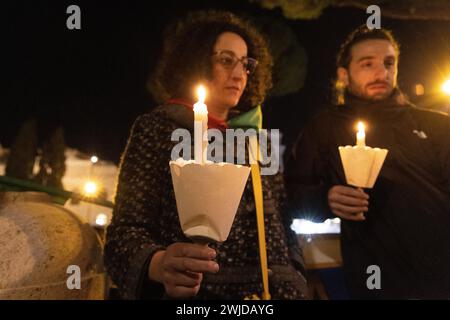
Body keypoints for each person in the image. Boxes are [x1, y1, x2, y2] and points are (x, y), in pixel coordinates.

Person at [104, 10, 308, 300]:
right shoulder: (159, 128)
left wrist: (294, 275)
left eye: (246, 64)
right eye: (226, 60)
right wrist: (159, 264)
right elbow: (124, 234)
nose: (239, 74)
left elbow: (283, 224)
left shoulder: (257, 138)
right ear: (195, 62)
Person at [285, 25, 450, 299]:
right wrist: (325, 199)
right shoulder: (323, 129)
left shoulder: (436, 125)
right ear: (343, 74)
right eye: (367, 64)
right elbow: (289, 197)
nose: (381, 72)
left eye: (389, 63)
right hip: (375, 283)